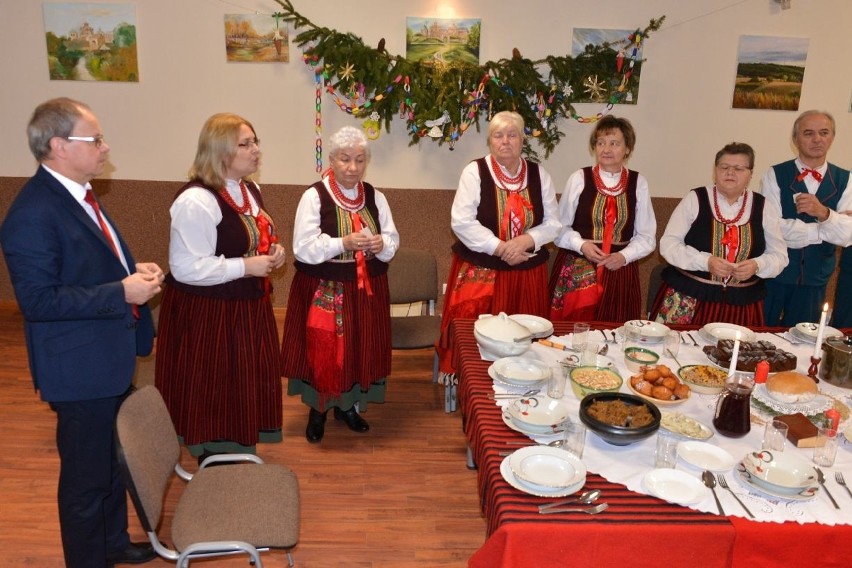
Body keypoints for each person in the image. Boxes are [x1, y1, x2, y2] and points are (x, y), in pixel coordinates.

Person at [0, 98, 162, 567]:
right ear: (58, 146)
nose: (105, 147)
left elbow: (91, 266)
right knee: (84, 482)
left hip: (104, 359)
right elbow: (38, 301)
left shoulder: (80, 194)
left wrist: (133, 271)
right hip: (78, 369)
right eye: (94, 140)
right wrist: (121, 292)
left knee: (110, 464)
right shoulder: (31, 213)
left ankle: (112, 544)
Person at [155, 113, 286, 462]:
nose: (256, 149)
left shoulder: (248, 190)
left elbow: (252, 240)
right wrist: (247, 266)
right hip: (209, 314)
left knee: (241, 384)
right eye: (245, 144)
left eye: (255, 141)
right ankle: (212, 452)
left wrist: (273, 253)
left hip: (245, 307)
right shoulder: (196, 200)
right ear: (220, 151)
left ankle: (237, 447)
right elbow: (185, 268)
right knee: (213, 385)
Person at [280, 126, 399, 443]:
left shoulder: (375, 196)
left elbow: (393, 239)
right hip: (325, 288)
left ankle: (347, 407)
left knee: (357, 350)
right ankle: (318, 410)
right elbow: (303, 247)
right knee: (326, 352)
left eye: (360, 160)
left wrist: (380, 244)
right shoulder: (314, 196)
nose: (352, 167)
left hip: (365, 291)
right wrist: (343, 242)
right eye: (345, 159)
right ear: (332, 160)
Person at [435, 111, 560, 379]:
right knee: (480, 336)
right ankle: (474, 382)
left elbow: (553, 223)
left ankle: (524, 381)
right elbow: (461, 221)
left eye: (512, 135)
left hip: (527, 272)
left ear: (522, 139)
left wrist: (527, 240)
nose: (506, 141)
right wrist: (501, 248)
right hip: (483, 269)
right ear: (490, 141)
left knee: (524, 336)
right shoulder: (475, 171)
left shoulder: (539, 175)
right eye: (498, 135)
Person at [649, 142, 787, 327]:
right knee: (678, 352)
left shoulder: (763, 207)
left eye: (738, 168)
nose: (730, 173)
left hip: (741, 305)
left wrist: (757, 265)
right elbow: (669, 244)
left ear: (750, 174)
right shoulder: (695, 199)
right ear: (715, 170)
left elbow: (780, 256)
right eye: (724, 167)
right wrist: (705, 262)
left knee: (734, 354)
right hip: (689, 298)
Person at [548, 115, 656, 322]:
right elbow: (558, 228)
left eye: (614, 143)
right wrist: (582, 245)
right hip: (578, 266)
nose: (606, 149)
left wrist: (623, 257)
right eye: (601, 143)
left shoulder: (638, 182)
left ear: (627, 149)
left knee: (612, 332)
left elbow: (646, 236)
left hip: (619, 270)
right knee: (572, 331)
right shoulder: (579, 178)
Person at [760, 110, 852, 326]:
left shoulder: (846, 179)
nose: (817, 139)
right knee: (759, 338)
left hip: (815, 281)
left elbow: (847, 236)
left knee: (802, 345)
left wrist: (823, 213)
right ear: (795, 139)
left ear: (832, 137)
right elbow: (771, 228)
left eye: (824, 132)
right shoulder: (774, 174)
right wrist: (830, 225)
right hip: (774, 276)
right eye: (808, 133)